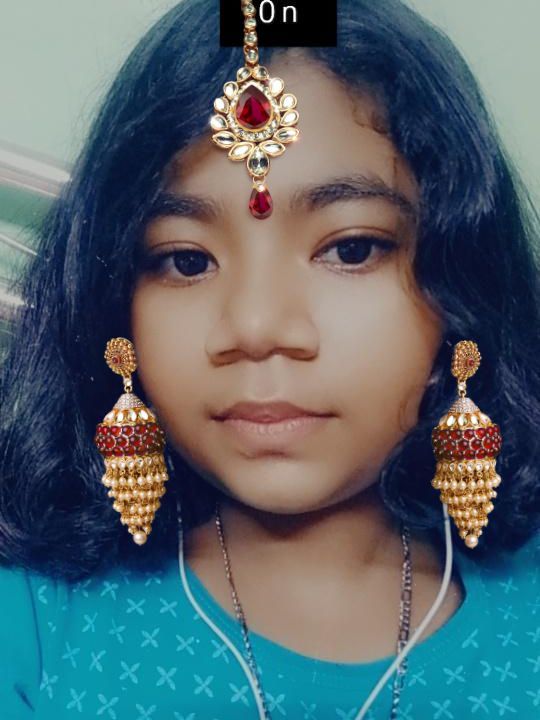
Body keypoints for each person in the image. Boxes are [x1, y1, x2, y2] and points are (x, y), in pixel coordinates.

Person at [1, 0, 539, 717]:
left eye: (351, 248)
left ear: (461, 288)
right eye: (186, 260)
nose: (255, 327)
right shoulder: (34, 621)